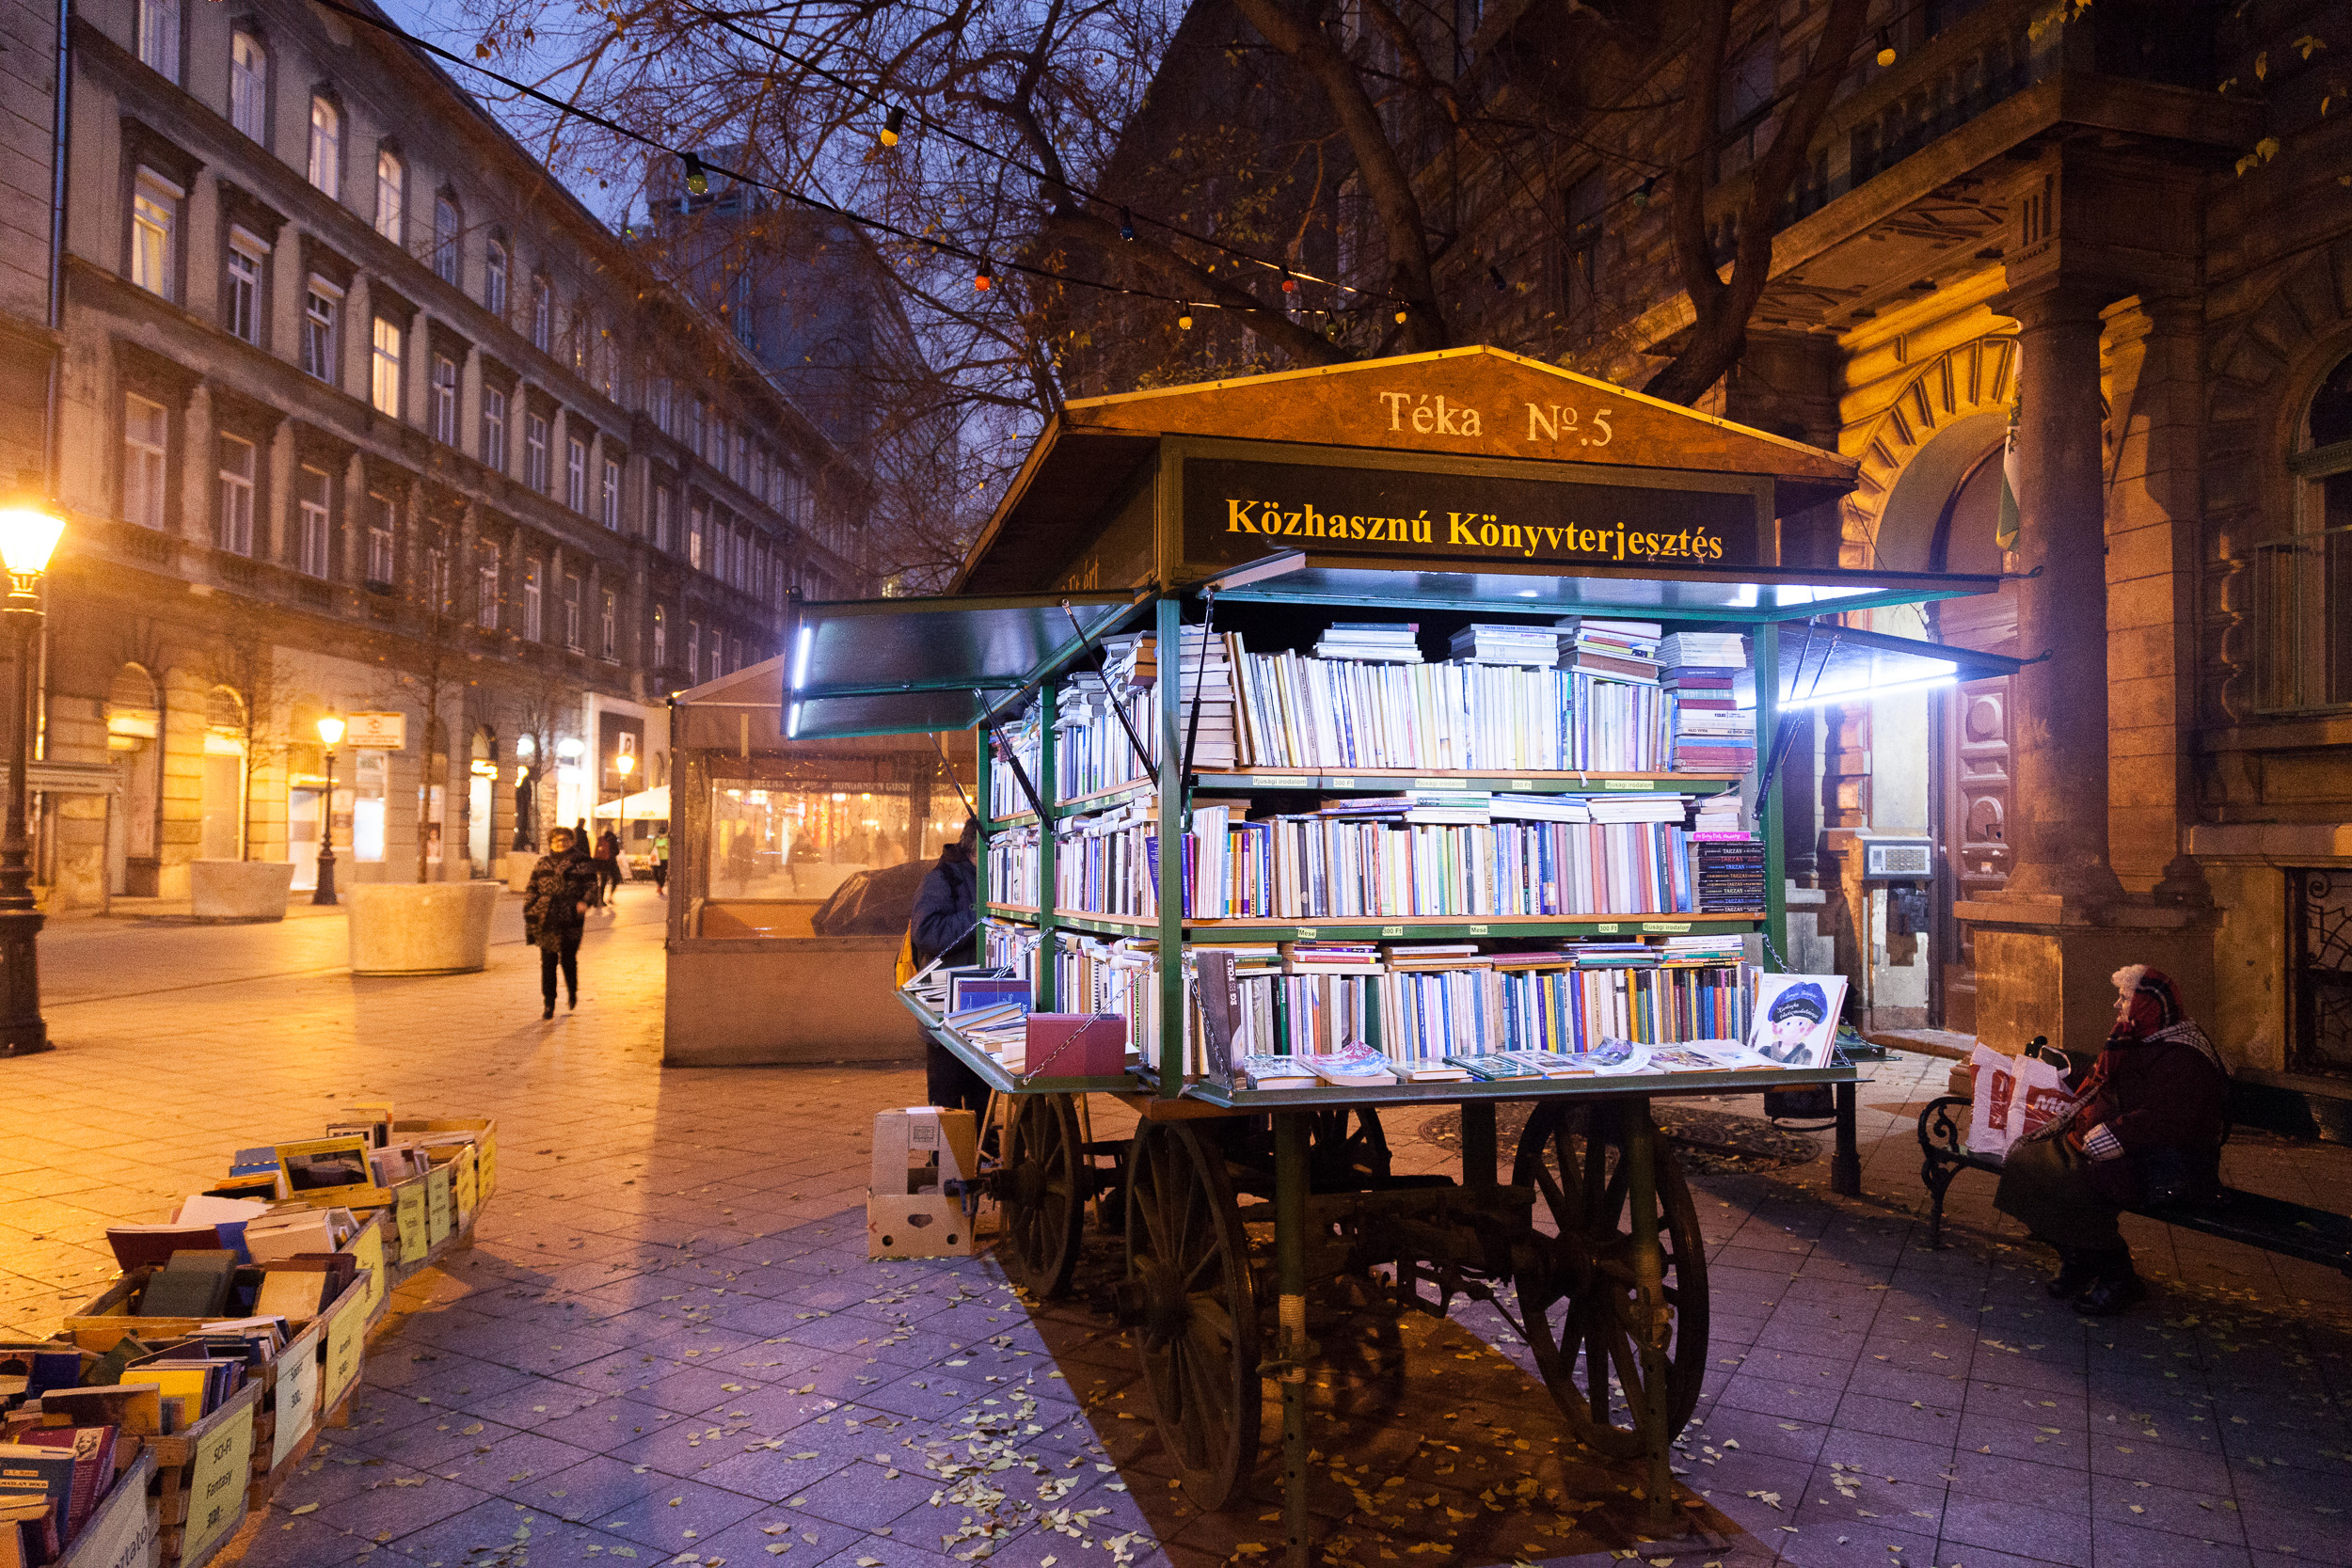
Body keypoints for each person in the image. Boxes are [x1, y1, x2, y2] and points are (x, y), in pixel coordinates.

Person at [1994, 966, 2229, 1316]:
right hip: (2117, 1142)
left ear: (2147, 1007)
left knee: (2075, 1183)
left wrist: (2118, 1134)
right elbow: (2103, 1081)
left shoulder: (2184, 1055)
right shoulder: (2135, 1036)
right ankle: (2080, 1257)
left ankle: (2119, 1276)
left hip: (2165, 1160)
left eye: (2124, 998)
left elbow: (2173, 1117)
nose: (2115, 1004)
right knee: (2026, 1163)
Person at [910, 817, 988, 1115]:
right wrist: (980, 918)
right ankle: (944, 1160)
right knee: (947, 1105)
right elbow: (927, 933)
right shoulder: (942, 879)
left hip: (981, 1013)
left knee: (982, 1101)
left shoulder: (983, 877)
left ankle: (984, 1157)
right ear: (975, 847)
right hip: (946, 1016)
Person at [524, 827, 601, 1019]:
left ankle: (572, 992)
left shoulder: (582, 861)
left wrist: (585, 901)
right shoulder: (543, 863)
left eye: (565, 840)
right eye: (557, 841)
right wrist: (531, 907)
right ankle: (549, 1003)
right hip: (546, 917)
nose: (561, 844)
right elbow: (531, 888)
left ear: (571, 842)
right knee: (548, 962)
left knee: (568, 959)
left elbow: (592, 885)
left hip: (570, 916)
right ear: (550, 843)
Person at [596, 827, 623, 905]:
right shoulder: (613, 840)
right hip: (612, 864)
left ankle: (601, 900)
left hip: (603, 863)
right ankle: (610, 897)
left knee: (603, 882)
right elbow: (617, 852)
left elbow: (597, 852)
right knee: (615, 880)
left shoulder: (601, 839)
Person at [651, 827, 670, 895]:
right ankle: (659, 885)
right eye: (660, 833)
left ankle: (660, 887)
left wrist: (664, 847)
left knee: (662, 875)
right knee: (654, 874)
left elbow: (669, 848)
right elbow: (651, 847)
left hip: (664, 858)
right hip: (655, 859)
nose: (661, 835)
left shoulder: (667, 840)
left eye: (663, 833)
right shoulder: (655, 839)